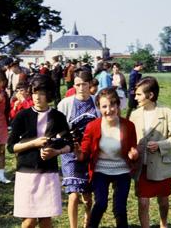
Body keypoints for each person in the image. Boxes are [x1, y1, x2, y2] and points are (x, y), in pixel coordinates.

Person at [8, 74, 71, 228]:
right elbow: (11, 147)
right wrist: (33, 143)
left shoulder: (58, 117)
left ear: (49, 95)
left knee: (45, 220)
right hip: (26, 173)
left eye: (41, 93)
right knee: (28, 222)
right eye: (35, 93)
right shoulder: (22, 116)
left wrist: (56, 152)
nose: (37, 97)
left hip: (48, 174)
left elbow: (70, 144)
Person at [76, 87, 139, 228]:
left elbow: (133, 149)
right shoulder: (92, 126)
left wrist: (133, 154)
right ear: (98, 107)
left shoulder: (128, 126)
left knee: (120, 208)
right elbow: (84, 153)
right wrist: (78, 152)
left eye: (112, 105)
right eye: (104, 106)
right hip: (100, 170)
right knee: (101, 204)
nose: (109, 110)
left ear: (117, 105)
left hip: (122, 170)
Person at [129, 76, 171, 228]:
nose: (135, 97)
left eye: (139, 94)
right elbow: (131, 140)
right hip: (142, 166)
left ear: (150, 95)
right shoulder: (134, 114)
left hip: (161, 166)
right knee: (143, 202)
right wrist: (131, 152)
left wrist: (160, 145)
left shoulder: (167, 113)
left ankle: (163, 224)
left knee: (163, 201)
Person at [57, 70, 99, 228]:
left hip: (91, 153)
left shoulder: (97, 102)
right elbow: (58, 128)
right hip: (70, 153)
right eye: (78, 84)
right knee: (73, 194)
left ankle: (87, 219)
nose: (81, 88)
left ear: (90, 85)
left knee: (88, 197)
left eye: (84, 84)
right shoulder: (65, 104)